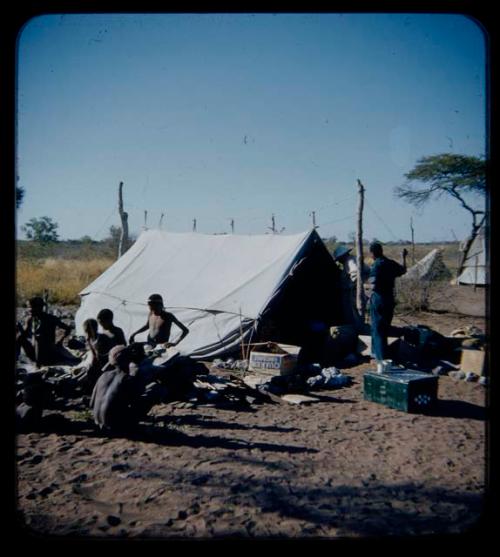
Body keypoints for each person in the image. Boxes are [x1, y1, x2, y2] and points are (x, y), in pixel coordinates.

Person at [367, 242, 408, 363]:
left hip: (379, 298)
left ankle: (380, 358)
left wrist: (368, 292)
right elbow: (403, 270)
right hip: (390, 299)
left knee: (377, 328)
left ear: (372, 253)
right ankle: (379, 354)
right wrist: (403, 257)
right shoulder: (391, 263)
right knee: (384, 328)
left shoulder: (377, 265)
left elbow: (372, 283)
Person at [16, 296, 75, 367]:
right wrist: (19, 330)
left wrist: (60, 341)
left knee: (39, 338)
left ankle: (37, 366)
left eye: (32, 307)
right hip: (34, 352)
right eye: (28, 307)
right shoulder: (29, 320)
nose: (29, 310)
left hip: (48, 352)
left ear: (40, 307)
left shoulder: (50, 319)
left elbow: (67, 328)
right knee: (19, 337)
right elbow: (23, 336)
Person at [333, 245, 368, 330]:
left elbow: (355, 275)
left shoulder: (350, 261)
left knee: (355, 313)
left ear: (342, 256)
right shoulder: (351, 260)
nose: (339, 261)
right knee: (355, 313)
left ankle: (358, 330)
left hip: (354, 292)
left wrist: (349, 286)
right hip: (354, 291)